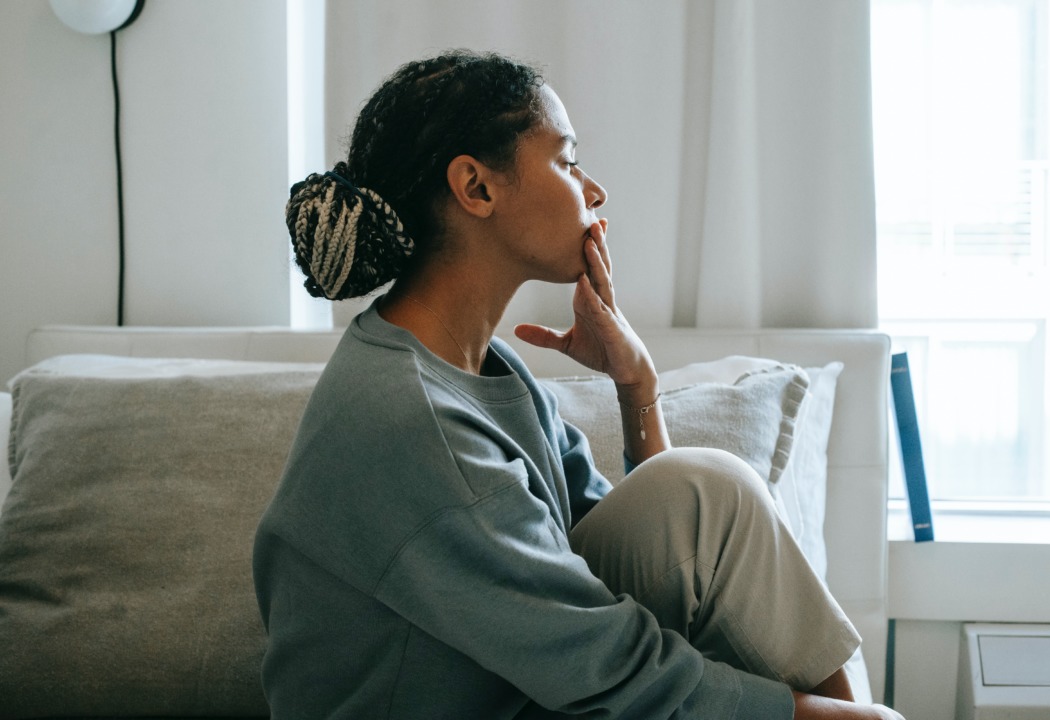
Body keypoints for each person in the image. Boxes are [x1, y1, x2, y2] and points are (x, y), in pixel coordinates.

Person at [253, 49, 904, 720]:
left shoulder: (491, 373)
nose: (593, 191)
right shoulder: (411, 418)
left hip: (517, 687)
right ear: (476, 188)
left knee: (712, 490)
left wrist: (637, 389)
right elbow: (608, 662)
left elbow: (645, 558)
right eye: (566, 161)